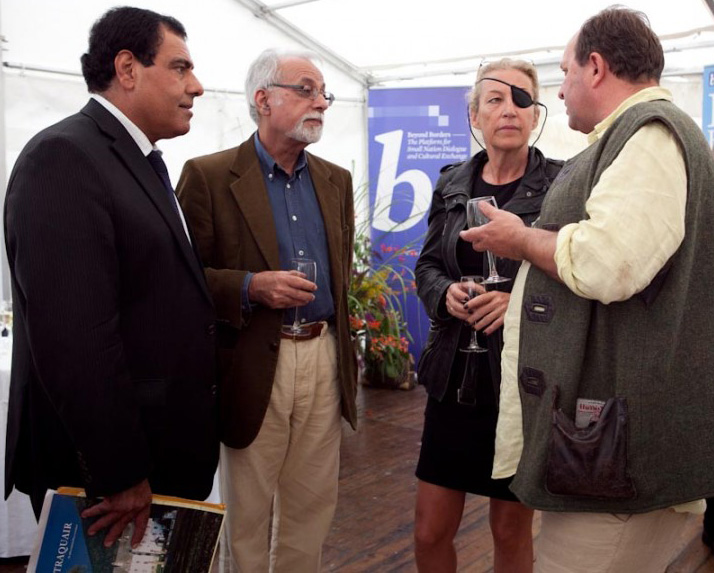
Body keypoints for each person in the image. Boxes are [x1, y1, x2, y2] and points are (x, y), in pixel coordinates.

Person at [461, 7, 714, 572]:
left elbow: (607, 262)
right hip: (605, 446)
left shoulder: (649, 135)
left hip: (616, 453)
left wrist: (521, 238)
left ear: (596, 67)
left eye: (565, 71)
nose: (562, 89)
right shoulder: (636, 136)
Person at [3, 7, 218, 548]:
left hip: (157, 459)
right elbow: (75, 340)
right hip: (110, 477)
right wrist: (120, 473)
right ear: (127, 68)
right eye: (179, 67)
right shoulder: (64, 157)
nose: (196, 85)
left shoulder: (139, 159)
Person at [176, 48, 357, 572]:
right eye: (306, 89)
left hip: (321, 356)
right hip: (253, 361)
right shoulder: (208, 176)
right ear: (263, 99)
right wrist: (251, 286)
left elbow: (340, 276)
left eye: (325, 92)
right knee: (247, 514)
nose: (321, 101)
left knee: (312, 509)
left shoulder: (335, 180)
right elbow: (181, 281)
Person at [413, 59, 561, 572]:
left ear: (536, 113)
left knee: (509, 529)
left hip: (521, 383)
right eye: (495, 99)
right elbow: (428, 264)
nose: (509, 109)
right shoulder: (452, 182)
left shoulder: (561, 185)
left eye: (522, 98)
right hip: (454, 375)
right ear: (474, 115)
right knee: (430, 531)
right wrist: (447, 292)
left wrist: (518, 301)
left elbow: (575, 274)